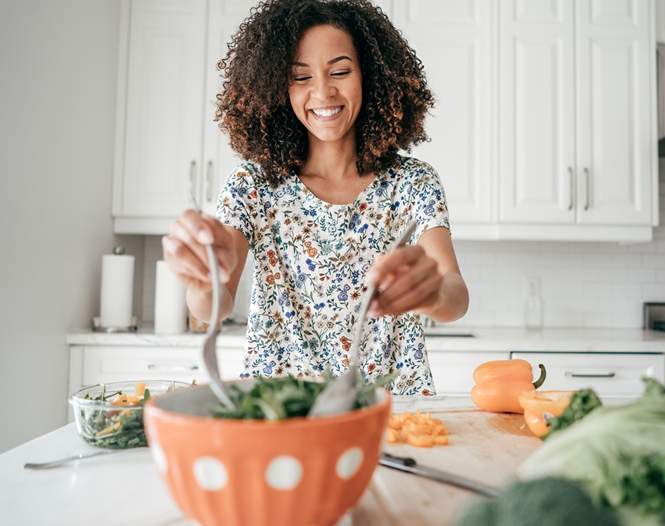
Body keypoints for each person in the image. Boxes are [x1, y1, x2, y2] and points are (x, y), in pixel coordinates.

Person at [162, 0, 469, 395]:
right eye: (300, 78)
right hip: (283, 412)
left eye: (340, 71)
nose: (323, 92)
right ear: (276, 88)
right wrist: (204, 280)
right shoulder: (253, 187)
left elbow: (455, 296)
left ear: (370, 76)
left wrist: (431, 293)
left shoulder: (411, 183)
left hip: (390, 413)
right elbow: (211, 309)